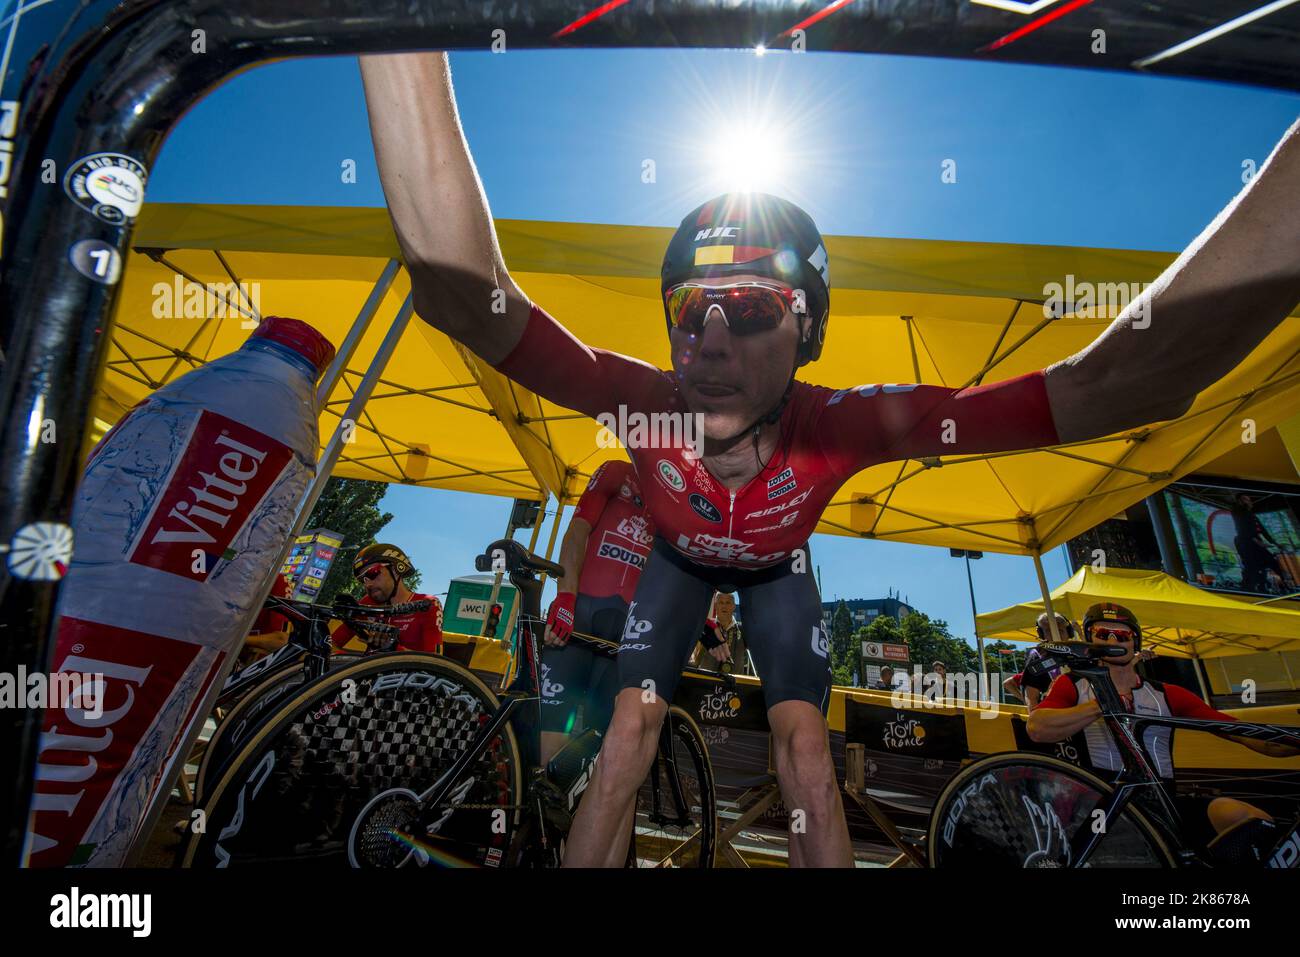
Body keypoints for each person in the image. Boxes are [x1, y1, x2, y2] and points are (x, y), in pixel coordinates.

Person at [360, 53, 1300, 867]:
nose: (715, 340)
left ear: (806, 332)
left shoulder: (847, 423)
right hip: (678, 569)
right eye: (694, 311)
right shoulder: (642, 403)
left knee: (804, 746)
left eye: (756, 308)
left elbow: (1114, 387)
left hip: (777, 575)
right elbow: (458, 287)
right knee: (625, 739)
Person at [1026, 602, 1300, 861]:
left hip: (1163, 801)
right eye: (1102, 633)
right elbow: (1038, 728)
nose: (1112, 641)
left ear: (1135, 643)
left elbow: (1252, 738)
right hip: (1105, 807)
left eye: (1122, 635)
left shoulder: (1166, 694)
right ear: (1090, 640)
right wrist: (1103, 705)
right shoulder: (1072, 684)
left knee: (1245, 817)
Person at [541, 459, 654, 764]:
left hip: (625, 630)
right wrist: (565, 596)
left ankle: (580, 810)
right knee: (552, 735)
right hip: (582, 613)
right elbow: (577, 531)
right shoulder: (618, 472)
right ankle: (537, 808)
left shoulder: (673, 497)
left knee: (602, 748)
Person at [330, 543, 443, 654]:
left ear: (395, 570)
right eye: (362, 580)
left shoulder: (428, 604)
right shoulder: (367, 603)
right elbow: (331, 645)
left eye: (372, 573)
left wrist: (394, 649)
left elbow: (436, 662)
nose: (367, 584)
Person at [1004, 612, 1076, 709]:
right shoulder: (1037, 657)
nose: (1055, 634)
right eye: (1048, 631)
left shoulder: (1078, 652)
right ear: (1042, 635)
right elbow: (1031, 697)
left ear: (1069, 632)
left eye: (1060, 630)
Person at [1232, 493, 1285, 592]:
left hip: (1255, 544)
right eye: (1245, 499)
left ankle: (1274, 586)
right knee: (1253, 567)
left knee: (1270, 563)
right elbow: (1242, 529)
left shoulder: (1252, 516)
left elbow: (1263, 531)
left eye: (1248, 499)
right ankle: (1251, 588)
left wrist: (1275, 543)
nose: (1248, 501)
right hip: (1246, 544)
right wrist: (1257, 541)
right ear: (1240, 501)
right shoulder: (1238, 513)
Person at [692, 592, 748, 675]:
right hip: (707, 683)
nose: (724, 606)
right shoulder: (705, 628)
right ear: (716, 605)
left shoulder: (744, 630)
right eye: (721, 602)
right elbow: (694, 659)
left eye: (728, 603)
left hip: (734, 684)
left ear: (734, 606)